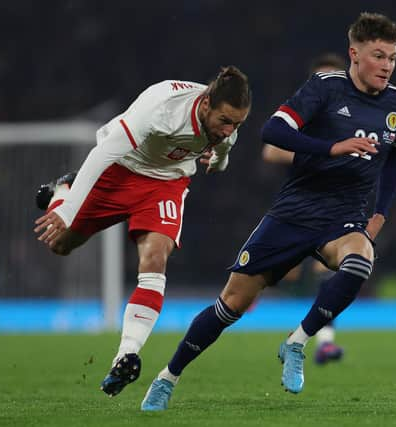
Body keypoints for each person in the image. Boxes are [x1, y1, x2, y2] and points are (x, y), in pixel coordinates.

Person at [140, 12, 396, 411]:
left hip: (344, 217)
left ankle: (297, 342)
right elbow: (272, 131)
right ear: (354, 54)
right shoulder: (323, 89)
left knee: (361, 261)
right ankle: (167, 378)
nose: (387, 66)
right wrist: (331, 147)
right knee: (231, 304)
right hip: (294, 212)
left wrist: (381, 212)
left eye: (392, 57)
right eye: (378, 56)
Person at [33, 66, 252, 397]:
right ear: (206, 105)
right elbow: (103, 154)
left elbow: (223, 152)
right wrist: (67, 207)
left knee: (155, 258)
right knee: (61, 244)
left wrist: (218, 162)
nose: (230, 129)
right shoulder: (163, 104)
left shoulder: (226, 127)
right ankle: (63, 188)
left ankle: (126, 355)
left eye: (237, 124)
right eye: (225, 121)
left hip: (165, 183)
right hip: (122, 170)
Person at [261, 52, 348, 365]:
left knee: (330, 271)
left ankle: (324, 342)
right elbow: (271, 151)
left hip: (337, 206)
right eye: (320, 78)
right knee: (273, 276)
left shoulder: (357, 116)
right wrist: (322, 154)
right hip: (297, 206)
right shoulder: (303, 114)